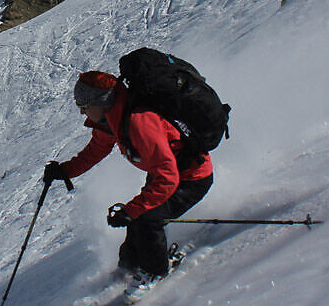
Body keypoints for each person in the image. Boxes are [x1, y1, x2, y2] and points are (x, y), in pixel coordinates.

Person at [44, 70, 214, 301]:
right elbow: (96, 150)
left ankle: (154, 271)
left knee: (146, 217)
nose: (82, 111)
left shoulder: (139, 122)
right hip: (163, 174)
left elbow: (168, 178)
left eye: (83, 104)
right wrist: (65, 170)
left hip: (191, 178)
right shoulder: (112, 119)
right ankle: (129, 265)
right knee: (138, 216)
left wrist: (132, 210)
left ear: (101, 101)